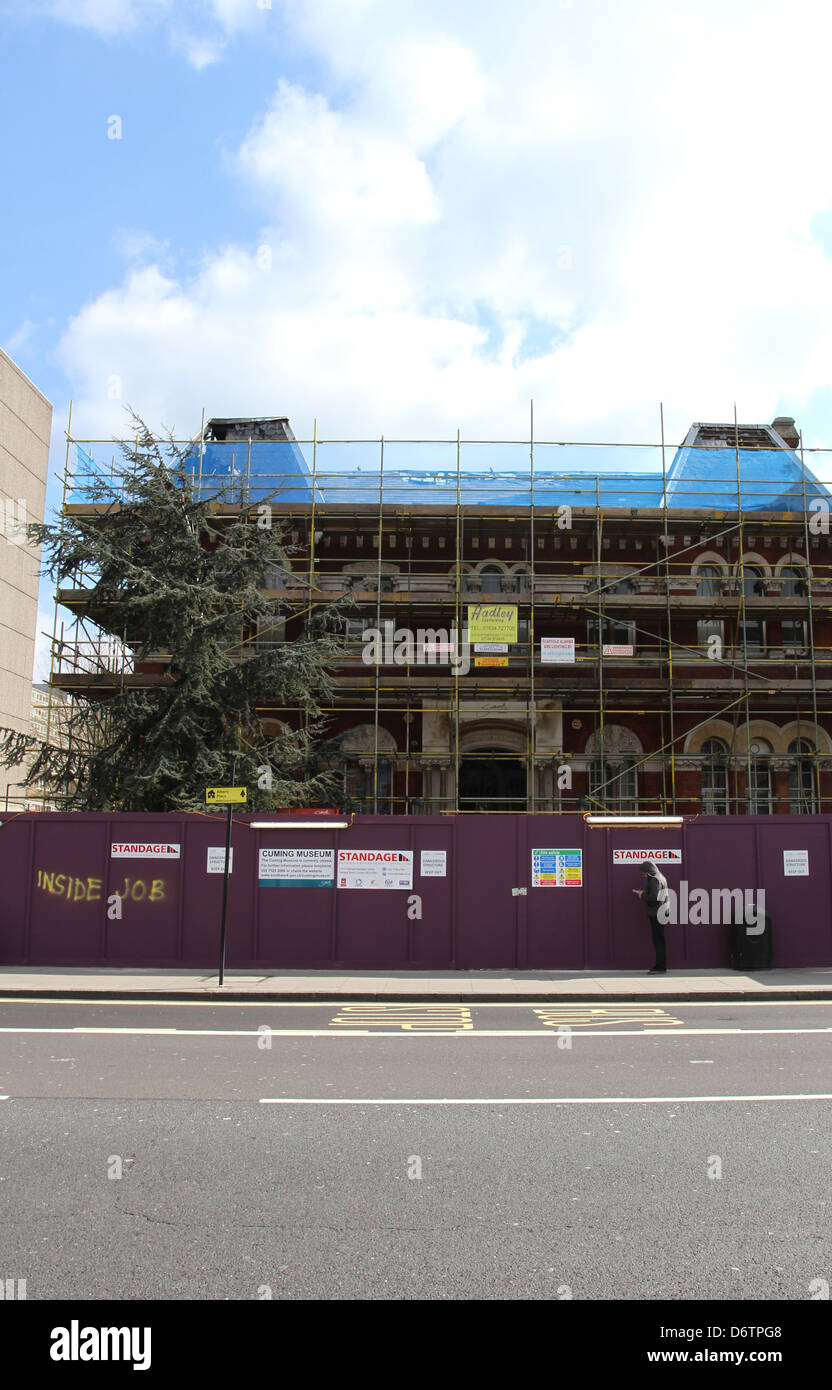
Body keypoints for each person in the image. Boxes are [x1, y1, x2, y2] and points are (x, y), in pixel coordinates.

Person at [633, 860, 670, 974]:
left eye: (644, 873)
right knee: (660, 939)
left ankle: (660, 966)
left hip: (657, 913)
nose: (643, 875)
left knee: (658, 940)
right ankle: (661, 965)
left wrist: (642, 895)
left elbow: (654, 897)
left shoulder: (655, 880)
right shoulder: (661, 878)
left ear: (649, 871)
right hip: (662, 912)